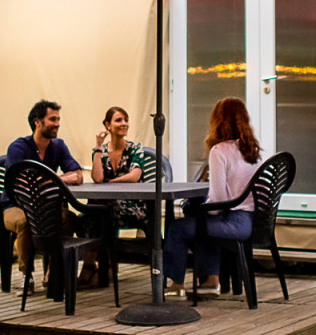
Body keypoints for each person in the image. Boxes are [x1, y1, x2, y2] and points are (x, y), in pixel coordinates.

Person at [163, 97, 263, 297]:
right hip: (255, 223)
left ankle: (177, 286)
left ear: (217, 120)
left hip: (234, 223)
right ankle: (210, 281)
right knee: (202, 223)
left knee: (178, 228)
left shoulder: (219, 151)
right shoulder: (252, 151)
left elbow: (217, 202)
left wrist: (198, 209)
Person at [0, 100, 83, 296]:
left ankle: (52, 274)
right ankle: (26, 276)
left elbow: (78, 175)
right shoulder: (18, 147)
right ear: (37, 122)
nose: (57, 124)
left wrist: (54, 179)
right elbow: (21, 183)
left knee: (68, 219)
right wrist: (58, 180)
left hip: (47, 206)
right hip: (15, 205)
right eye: (52, 119)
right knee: (25, 221)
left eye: (58, 119)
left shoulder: (58, 146)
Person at [78, 106, 145, 286]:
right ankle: (102, 264)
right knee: (90, 215)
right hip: (107, 207)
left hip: (132, 205)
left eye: (125, 120)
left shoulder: (135, 149)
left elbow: (134, 176)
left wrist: (111, 182)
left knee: (95, 213)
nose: (124, 124)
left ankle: (91, 264)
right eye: (118, 120)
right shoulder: (101, 151)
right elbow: (97, 178)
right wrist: (97, 146)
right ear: (107, 125)